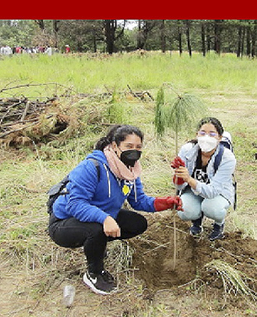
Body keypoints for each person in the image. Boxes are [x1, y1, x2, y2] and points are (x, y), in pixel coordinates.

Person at [47, 124, 182, 295]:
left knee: (137, 223)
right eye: (129, 146)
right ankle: (94, 273)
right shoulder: (92, 166)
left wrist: (167, 202)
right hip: (63, 222)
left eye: (138, 147)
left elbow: (139, 201)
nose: (134, 151)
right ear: (114, 145)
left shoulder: (130, 171)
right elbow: (76, 204)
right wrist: (105, 219)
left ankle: (96, 245)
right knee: (96, 230)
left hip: (97, 216)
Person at [172, 118, 235, 240]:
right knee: (184, 210)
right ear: (197, 134)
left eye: (212, 134)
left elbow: (212, 191)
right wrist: (178, 177)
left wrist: (189, 179)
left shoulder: (227, 158)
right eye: (202, 133)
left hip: (218, 193)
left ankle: (218, 224)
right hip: (193, 191)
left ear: (219, 137)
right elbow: (178, 186)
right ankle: (196, 221)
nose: (206, 137)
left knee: (212, 208)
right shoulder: (187, 150)